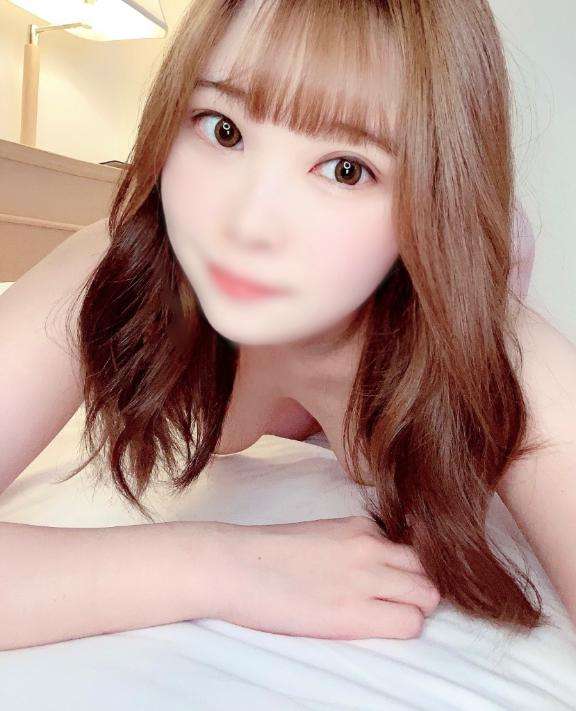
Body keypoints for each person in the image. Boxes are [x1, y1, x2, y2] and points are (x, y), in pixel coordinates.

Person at [2, 0, 575, 649]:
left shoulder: (492, 344)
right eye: (223, 130)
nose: (248, 224)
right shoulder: (116, 265)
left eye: (345, 169)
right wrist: (220, 564)